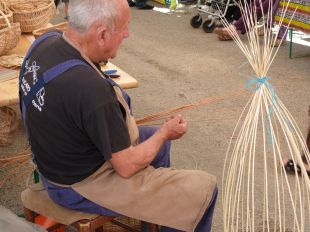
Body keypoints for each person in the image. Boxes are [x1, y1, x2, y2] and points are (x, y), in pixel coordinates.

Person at [18, 0, 218, 231]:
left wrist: (159, 138)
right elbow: (126, 166)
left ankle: (153, 212)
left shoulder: (44, 42)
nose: (127, 34)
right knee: (201, 190)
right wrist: (165, 133)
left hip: (53, 160)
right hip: (75, 186)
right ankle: (165, 205)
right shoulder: (91, 90)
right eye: (124, 27)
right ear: (101, 34)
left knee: (155, 143)